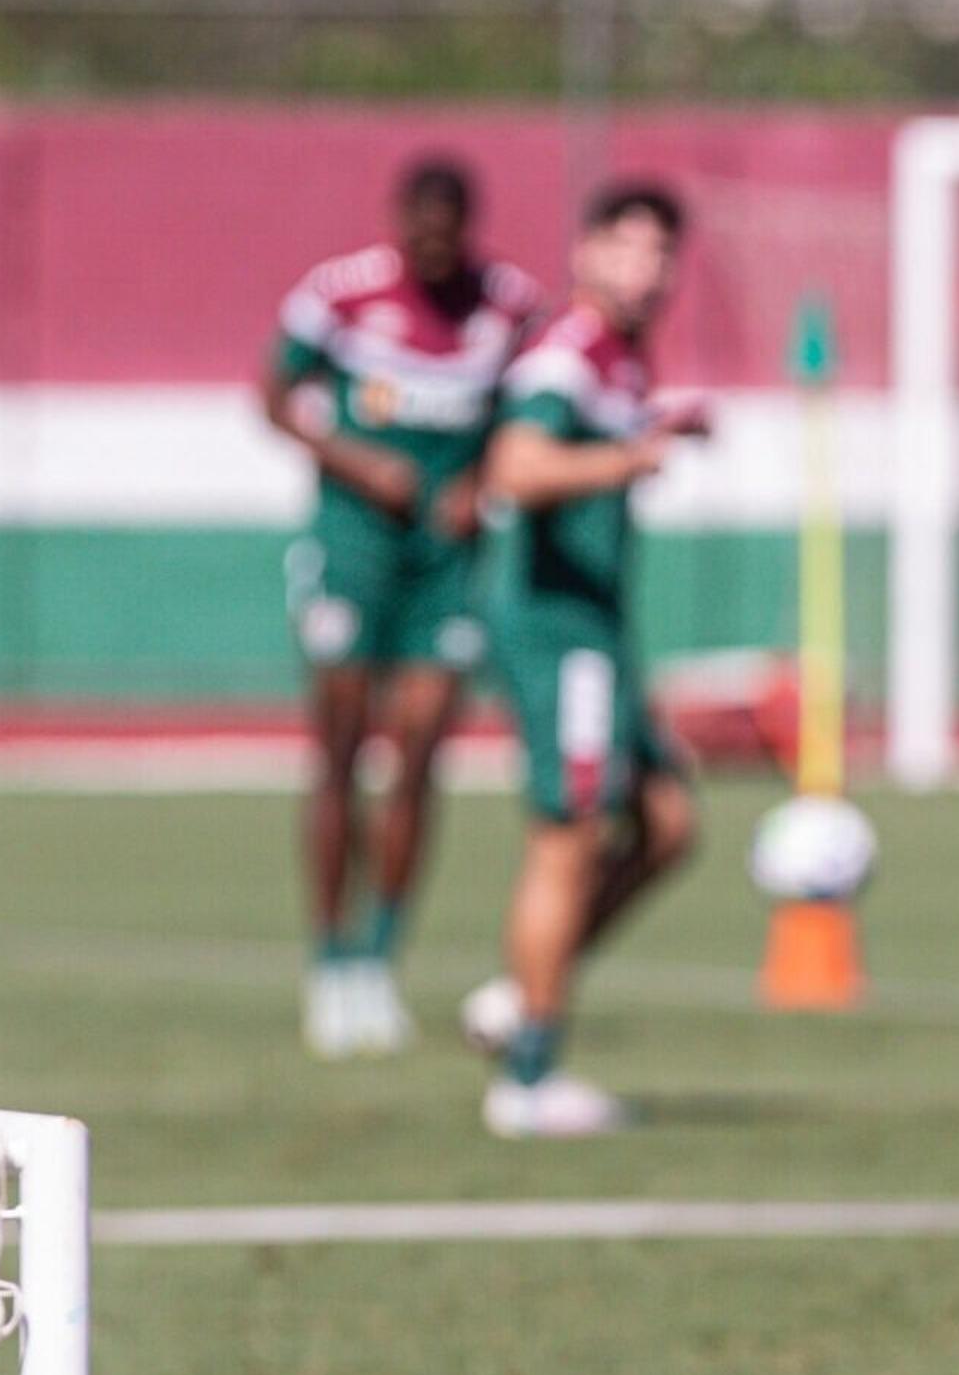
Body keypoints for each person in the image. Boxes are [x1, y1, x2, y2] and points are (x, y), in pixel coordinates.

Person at [264, 157, 543, 1060]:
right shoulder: (339, 296)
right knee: (341, 753)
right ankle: (330, 960)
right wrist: (356, 462)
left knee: (419, 754)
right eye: (415, 230)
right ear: (396, 222)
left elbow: (525, 414)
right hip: (354, 551)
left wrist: (476, 480)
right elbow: (273, 396)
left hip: (446, 565)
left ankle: (381, 958)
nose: (430, 248)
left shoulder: (505, 304)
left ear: (467, 228)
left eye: (446, 232)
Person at [459, 181, 705, 1140]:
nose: (651, 269)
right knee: (568, 836)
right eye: (631, 246)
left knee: (669, 824)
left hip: (597, 628)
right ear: (586, 252)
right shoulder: (565, 353)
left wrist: (654, 434)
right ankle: (527, 1078)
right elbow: (514, 469)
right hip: (554, 631)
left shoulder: (619, 358)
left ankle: (522, 991)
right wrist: (626, 461)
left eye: (663, 252)